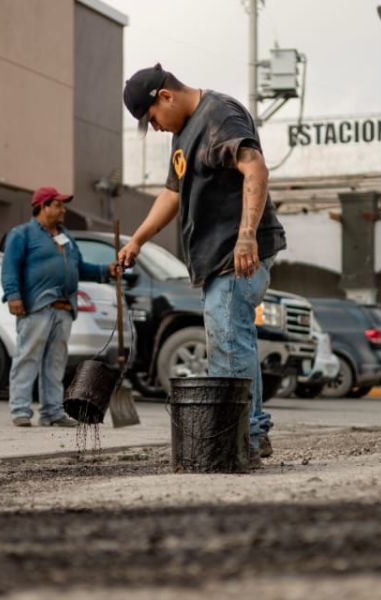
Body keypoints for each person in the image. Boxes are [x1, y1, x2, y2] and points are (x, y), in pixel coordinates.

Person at [118, 64, 287, 466]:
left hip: (237, 253)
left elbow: (255, 167)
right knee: (232, 341)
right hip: (219, 259)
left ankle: (241, 441)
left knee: (228, 344)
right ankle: (252, 432)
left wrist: (246, 234)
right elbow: (172, 193)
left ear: (166, 96)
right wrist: (138, 240)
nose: (155, 127)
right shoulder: (184, 134)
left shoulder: (218, 115)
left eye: (153, 117)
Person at [1, 186, 120, 427]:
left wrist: (106, 270)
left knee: (56, 363)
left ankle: (52, 413)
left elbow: (79, 267)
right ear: (43, 207)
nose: (63, 210)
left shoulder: (65, 237)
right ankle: (20, 410)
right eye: (58, 205)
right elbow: (10, 268)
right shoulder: (22, 234)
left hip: (64, 309)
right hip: (37, 307)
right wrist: (13, 296)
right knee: (28, 357)